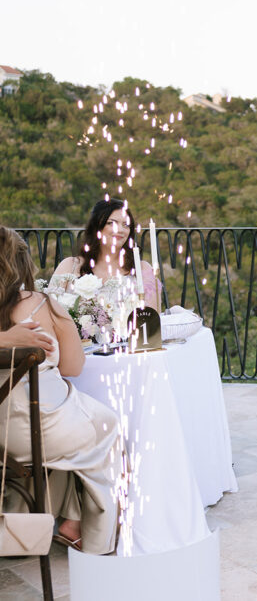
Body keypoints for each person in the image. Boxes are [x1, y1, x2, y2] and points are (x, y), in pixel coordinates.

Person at [0, 227, 119, 554]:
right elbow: (72, 368)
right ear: (22, 265)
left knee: (72, 432)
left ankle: (39, 522)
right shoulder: (43, 304)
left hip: (3, 435)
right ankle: (89, 533)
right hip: (39, 431)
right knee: (104, 425)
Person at [51, 199, 160, 311]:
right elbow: (49, 310)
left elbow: (151, 320)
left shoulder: (142, 270)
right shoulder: (70, 266)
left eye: (126, 225)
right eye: (111, 223)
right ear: (96, 227)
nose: (120, 230)